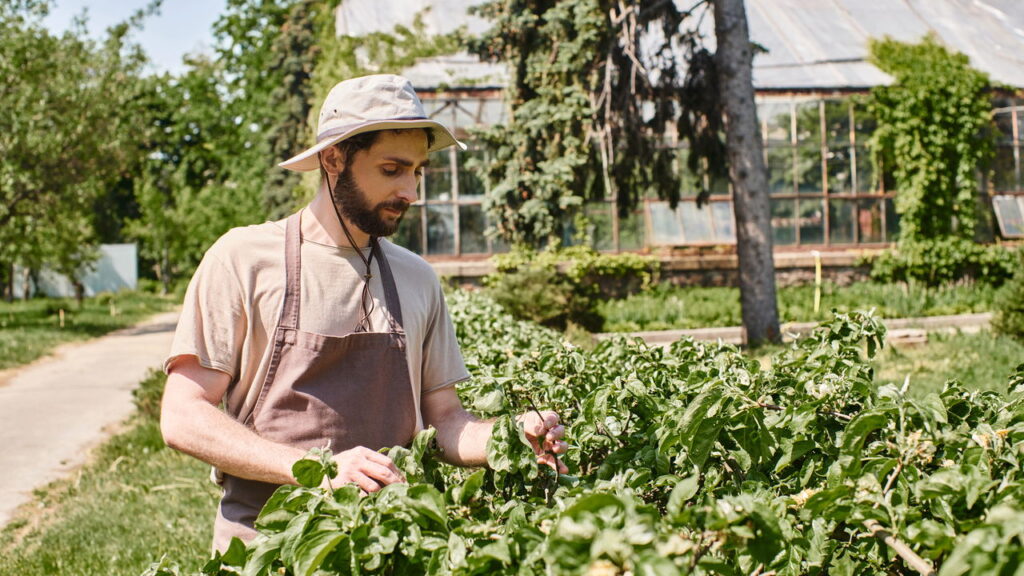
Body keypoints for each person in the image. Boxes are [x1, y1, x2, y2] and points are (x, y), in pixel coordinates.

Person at [159, 74, 568, 552]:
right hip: (268, 544)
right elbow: (183, 416)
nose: (410, 191)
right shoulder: (244, 259)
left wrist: (511, 436)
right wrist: (319, 471)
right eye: (392, 168)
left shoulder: (417, 278)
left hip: (394, 543)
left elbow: (446, 422)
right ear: (334, 159)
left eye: (417, 171)